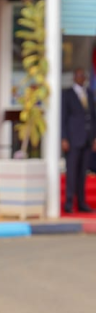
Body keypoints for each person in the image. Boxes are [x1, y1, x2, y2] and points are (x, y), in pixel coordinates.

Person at [61, 67, 96, 213]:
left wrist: (94, 138)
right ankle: (69, 203)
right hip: (73, 139)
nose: (82, 78)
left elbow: (93, 118)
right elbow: (63, 118)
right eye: (79, 75)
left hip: (87, 139)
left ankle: (81, 203)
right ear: (74, 77)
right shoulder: (67, 94)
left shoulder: (89, 93)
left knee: (83, 173)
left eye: (84, 75)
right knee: (72, 172)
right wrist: (63, 138)